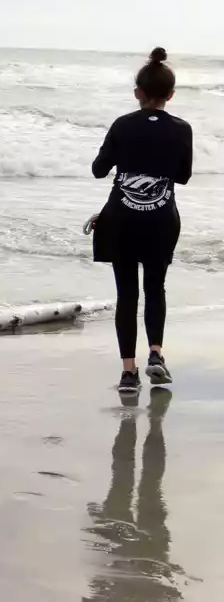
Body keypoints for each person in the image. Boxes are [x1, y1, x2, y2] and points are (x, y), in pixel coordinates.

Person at [90, 47, 193, 394]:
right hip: (162, 220)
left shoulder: (122, 125)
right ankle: (156, 355)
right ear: (171, 94)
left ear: (138, 93)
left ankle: (128, 373)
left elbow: (98, 170)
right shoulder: (182, 129)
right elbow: (182, 176)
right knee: (155, 288)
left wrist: (125, 155)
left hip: (120, 219)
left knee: (127, 294)